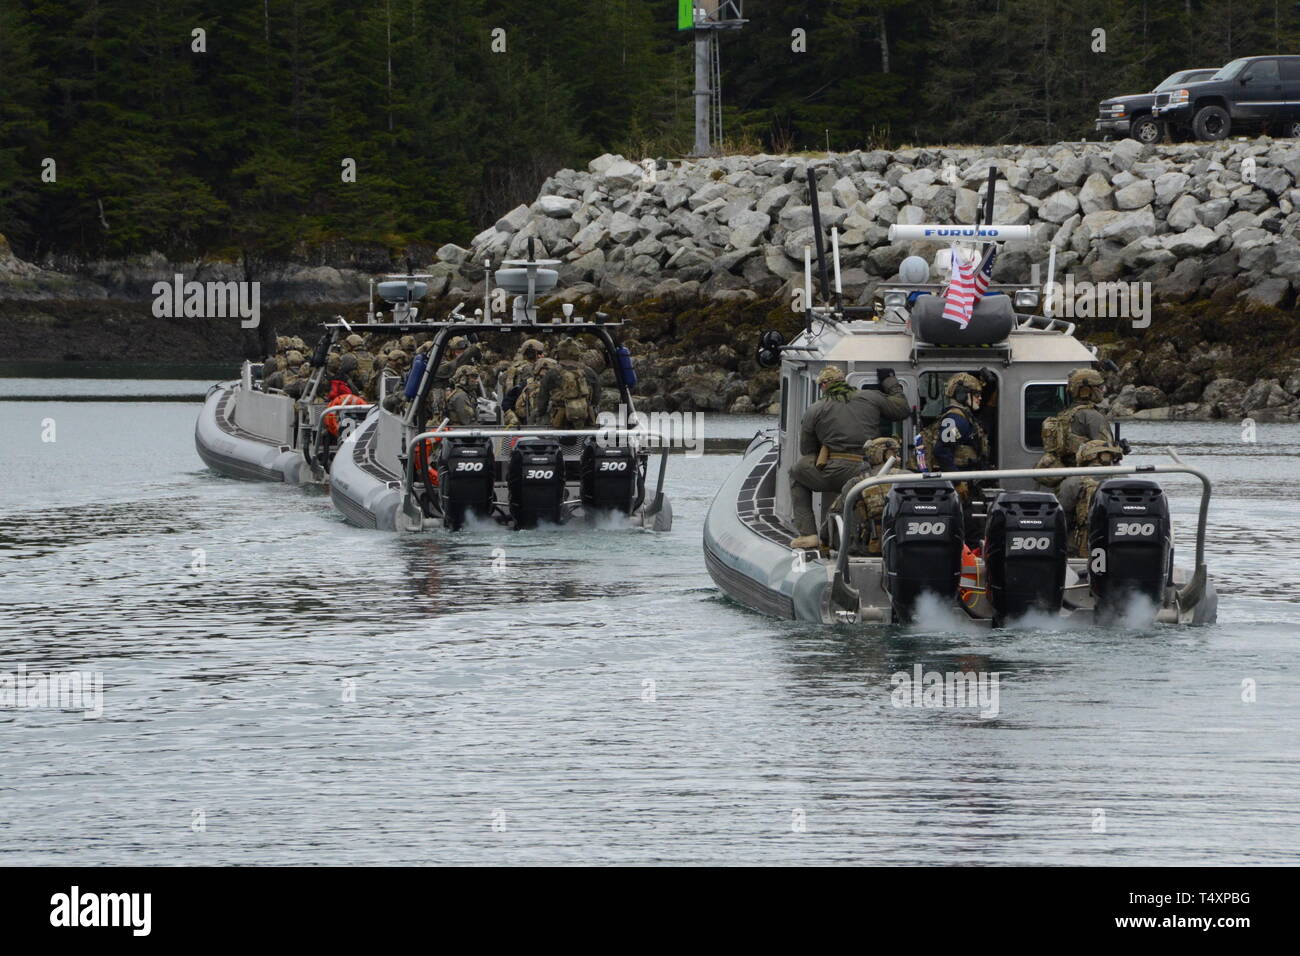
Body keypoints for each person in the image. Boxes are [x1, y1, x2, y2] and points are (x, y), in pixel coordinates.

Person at [788, 365, 910, 550]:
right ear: (844, 381)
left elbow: (807, 449)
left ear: (823, 386)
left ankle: (809, 535)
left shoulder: (815, 409)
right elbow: (902, 409)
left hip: (835, 472)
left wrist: (827, 446)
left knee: (796, 474)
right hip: (870, 472)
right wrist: (890, 382)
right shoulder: (871, 397)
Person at [1035, 368, 1124, 490]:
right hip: (1088, 479)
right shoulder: (1092, 416)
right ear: (1085, 390)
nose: (1102, 390)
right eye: (1098, 387)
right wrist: (1117, 451)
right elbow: (1105, 455)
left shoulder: (1065, 415)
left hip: (1069, 478)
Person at [825, 436, 912, 556]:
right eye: (895, 453)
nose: (899, 458)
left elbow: (836, 512)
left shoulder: (858, 482)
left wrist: (823, 541)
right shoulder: (909, 477)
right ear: (886, 455)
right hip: (907, 542)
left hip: (872, 548)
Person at [1057, 440, 1123, 557]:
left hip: (1083, 547)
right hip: (1117, 541)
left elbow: (1061, 517)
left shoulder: (1073, 481)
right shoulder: (1124, 479)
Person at [536, 338, 601, 429]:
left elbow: (542, 400)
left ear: (559, 353)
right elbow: (596, 397)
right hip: (586, 419)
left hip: (560, 421)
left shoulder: (552, 373)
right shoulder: (589, 372)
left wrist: (540, 414)